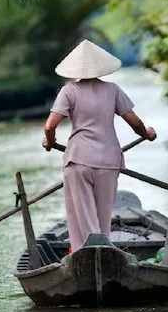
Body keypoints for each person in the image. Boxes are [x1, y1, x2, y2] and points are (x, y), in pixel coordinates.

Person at [42, 39, 157, 251]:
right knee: (103, 217)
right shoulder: (112, 90)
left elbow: (50, 126)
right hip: (108, 160)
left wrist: (49, 142)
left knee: (81, 216)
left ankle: (83, 252)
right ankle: (103, 251)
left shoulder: (69, 91)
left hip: (78, 159)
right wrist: (147, 134)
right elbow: (135, 123)